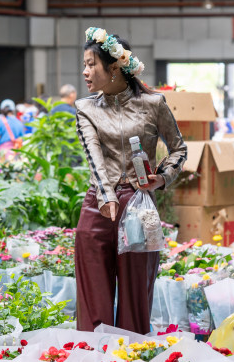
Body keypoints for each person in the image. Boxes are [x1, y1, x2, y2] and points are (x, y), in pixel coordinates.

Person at [75, 27, 187, 334]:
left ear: (113, 67)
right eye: (84, 64)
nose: (85, 72)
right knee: (92, 300)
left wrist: (161, 178)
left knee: (136, 298)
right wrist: (106, 196)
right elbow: (93, 156)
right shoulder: (85, 108)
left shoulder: (154, 103)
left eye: (90, 64)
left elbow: (179, 148)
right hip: (98, 206)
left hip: (141, 207)